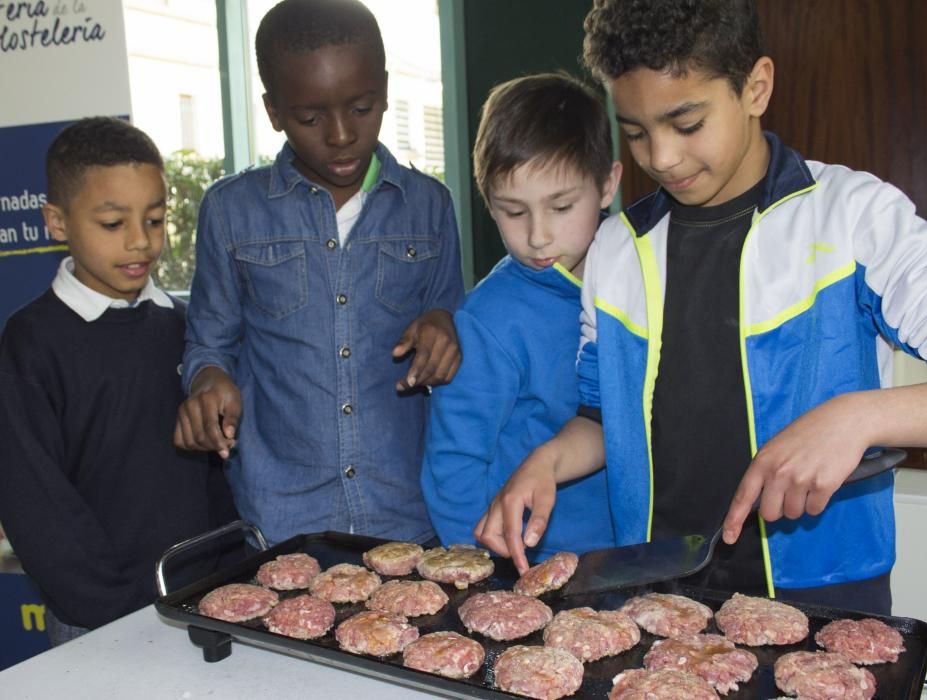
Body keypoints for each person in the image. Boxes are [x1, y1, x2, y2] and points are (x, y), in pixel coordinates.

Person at [475, 0, 927, 614]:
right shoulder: (617, 249)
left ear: (756, 87)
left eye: (686, 123)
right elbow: (604, 420)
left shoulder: (855, 217)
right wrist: (547, 461)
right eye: (635, 131)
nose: (660, 156)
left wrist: (859, 417)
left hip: (827, 591)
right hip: (658, 589)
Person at [175, 0, 464, 547]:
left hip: (407, 511)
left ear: (383, 87)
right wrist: (208, 381)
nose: (339, 135)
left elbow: (452, 320)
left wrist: (446, 327)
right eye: (310, 118)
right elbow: (209, 344)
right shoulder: (231, 211)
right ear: (274, 111)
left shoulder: (429, 206)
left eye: (361, 108)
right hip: (282, 517)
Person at [0, 117, 235, 645]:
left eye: (155, 219)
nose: (140, 242)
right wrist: (122, 608)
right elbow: (35, 505)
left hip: (202, 600)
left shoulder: (182, 325)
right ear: (56, 222)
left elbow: (213, 477)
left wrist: (224, 574)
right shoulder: (30, 342)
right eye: (112, 223)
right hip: (96, 620)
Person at [422, 73, 622, 559]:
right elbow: (454, 464)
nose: (538, 236)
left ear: (608, 185)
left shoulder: (635, 276)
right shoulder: (490, 320)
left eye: (561, 207)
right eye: (514, 211)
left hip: (632, 553)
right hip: (528, 568)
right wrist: (479, 573)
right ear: (488, 202)